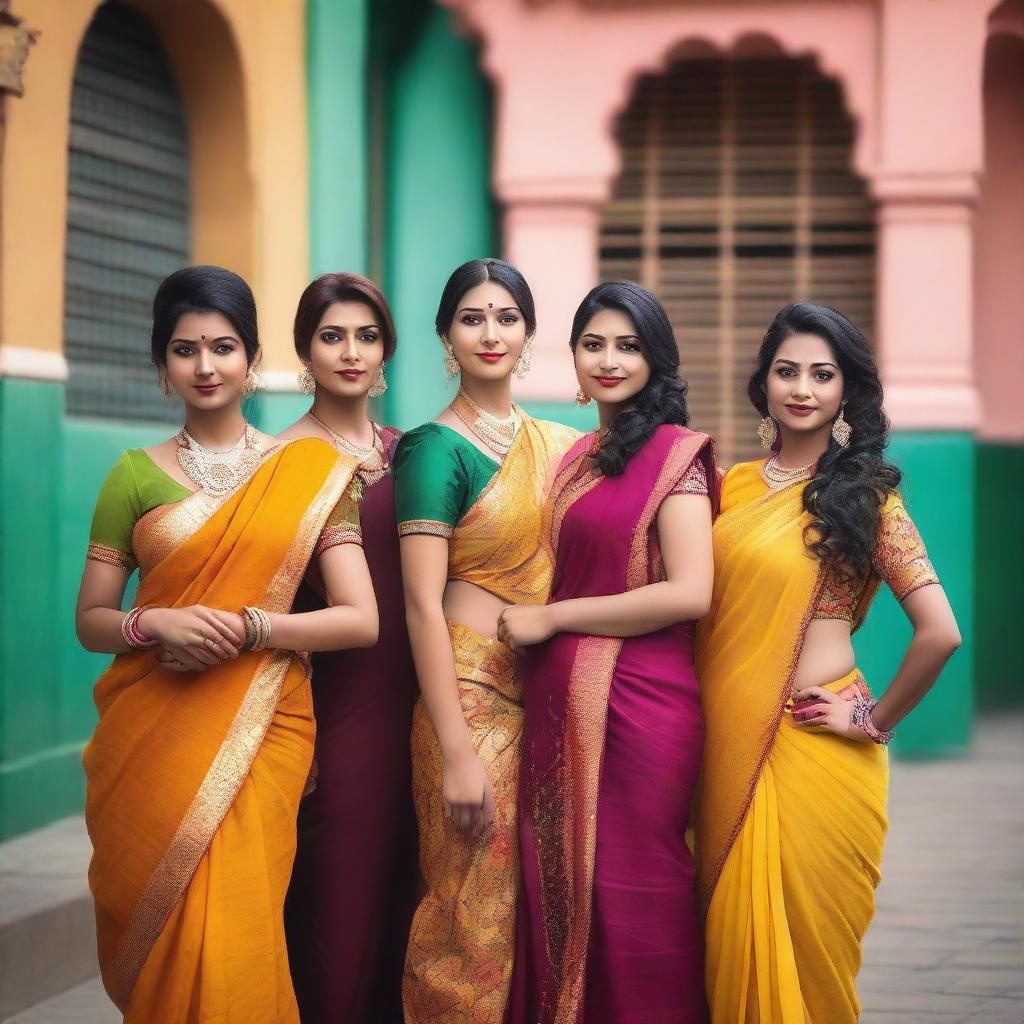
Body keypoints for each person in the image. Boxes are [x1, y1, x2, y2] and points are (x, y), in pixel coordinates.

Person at [77, 265, 378, 1022]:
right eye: (184, 350)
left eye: (222, 347)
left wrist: (251, 628)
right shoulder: (133, 478)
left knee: (241, 925)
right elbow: (92, 621)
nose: (205, 367)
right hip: (154, 730)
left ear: (251, 360)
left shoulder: (307, 474)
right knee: (168, 927)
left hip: (265, 728)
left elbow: (359, 617)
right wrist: (154, 625)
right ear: (162, 365)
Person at [695, 302, 962, 1023]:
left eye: (823, 373)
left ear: (848, 390)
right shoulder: (728, 488)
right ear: (765, 382)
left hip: (816, 749)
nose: (803, 388)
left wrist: (873, 720)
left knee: (813, 960)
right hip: (722, 743)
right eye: (787, 371)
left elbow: (940, 632)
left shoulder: (868, 499)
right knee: (726, 946)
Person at [501, 281, 716, 1024]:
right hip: (562, 702)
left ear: (656, 358)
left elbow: (690, 591)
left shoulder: (676, 457)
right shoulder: (578, 457)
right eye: (594, 343)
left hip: (644, 706)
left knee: (638, 890)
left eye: (628, 345)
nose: (609, 359)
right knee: (561, 884)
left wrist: (555, 619)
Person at [395, 258, 578, 1023]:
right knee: (470, 916)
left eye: (506, 317)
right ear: (446, 337)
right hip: (470, 699)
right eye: (472, 318)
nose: (491, 332)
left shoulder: (563, 445)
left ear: (529, 334)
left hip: (553, 695)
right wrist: (458, 750)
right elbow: (418, 604)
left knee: (548, 909)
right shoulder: (435, 449)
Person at [280, 273, 417, 1023]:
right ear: (306, 349)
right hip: (334, 718)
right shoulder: (274, 462)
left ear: (387, 349)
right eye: (332, 335)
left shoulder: (410, 453)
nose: (351, 351)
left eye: (366, 335)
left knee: (410, 918)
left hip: (425, 711)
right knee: (336, 918)